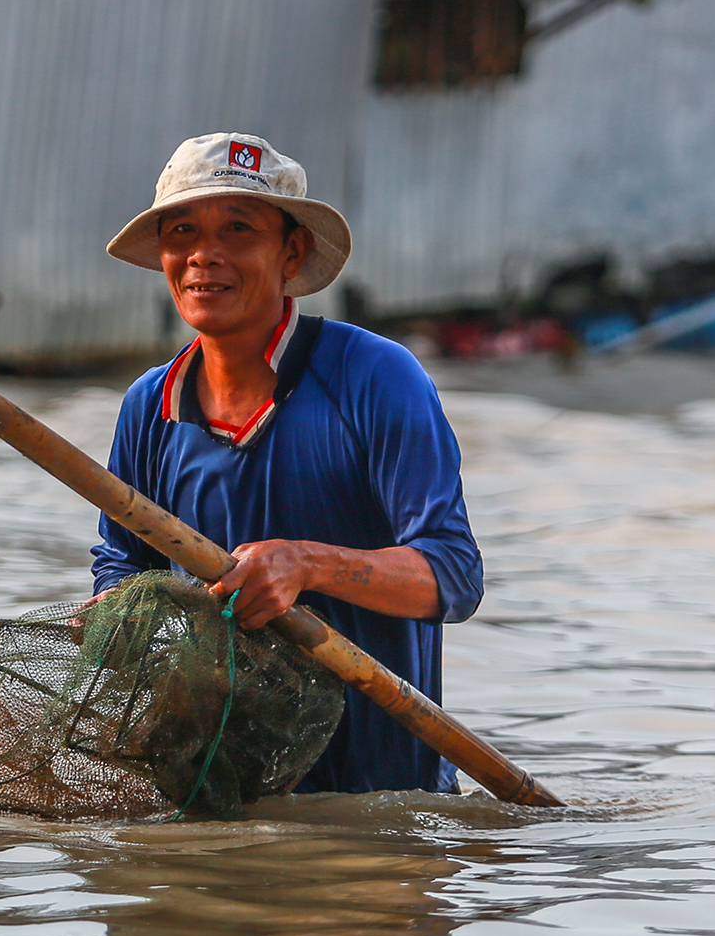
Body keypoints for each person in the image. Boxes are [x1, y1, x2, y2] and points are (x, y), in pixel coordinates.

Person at [93, 131, 484, 794]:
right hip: (215, 795)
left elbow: (453, 575)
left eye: (238, 229)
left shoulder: (373, 377)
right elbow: (123, 563)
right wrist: (112, 615)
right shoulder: (148, 406)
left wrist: (307, 565)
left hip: (376, 798)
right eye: (182, 230)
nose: (203, 256)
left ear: (291, 252)